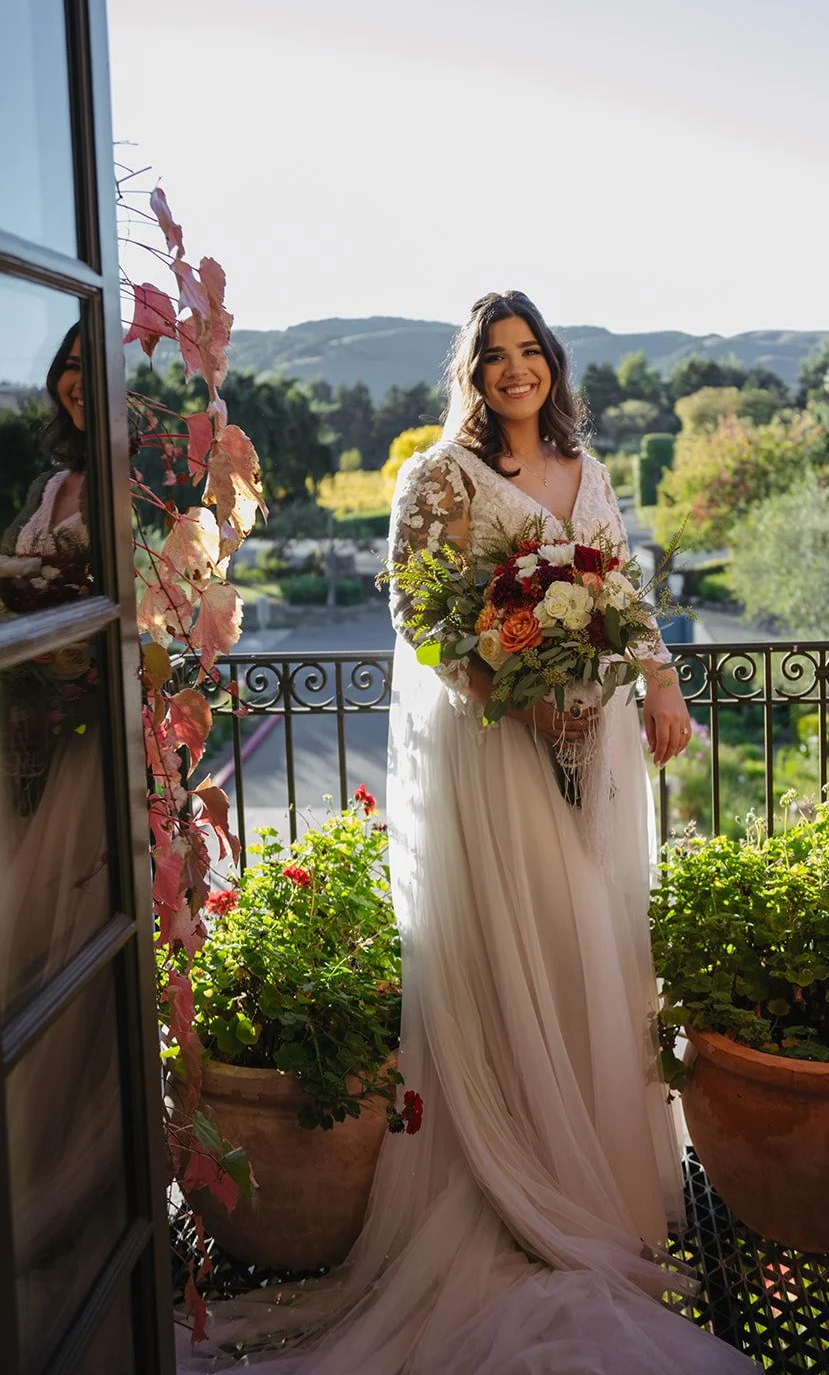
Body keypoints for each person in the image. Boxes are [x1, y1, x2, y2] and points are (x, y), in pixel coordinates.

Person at [197, 294, 755, 1373]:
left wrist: (660, 686)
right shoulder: (438, 478)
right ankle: (512, 1188)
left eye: (528, 352)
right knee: (514, 949)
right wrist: (509, 685)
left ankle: (595, 1185)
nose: (514, 370)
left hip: (592, 746)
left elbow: (623, 589)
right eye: (494, 356)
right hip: (495, 752)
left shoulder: (585, 468)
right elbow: (415, 612)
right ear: (470, 372)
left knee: (586, 944)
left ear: (551, 364)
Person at [0, 326, 122, 1366]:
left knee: (80, 941)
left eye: (95, 365)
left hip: (98, 753)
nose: (78, 384)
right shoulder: (50, 490)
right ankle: (32, 1160)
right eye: (67, 368)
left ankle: (86, 1179)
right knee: (25, 944)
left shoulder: (139, 486)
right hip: (35, 743)